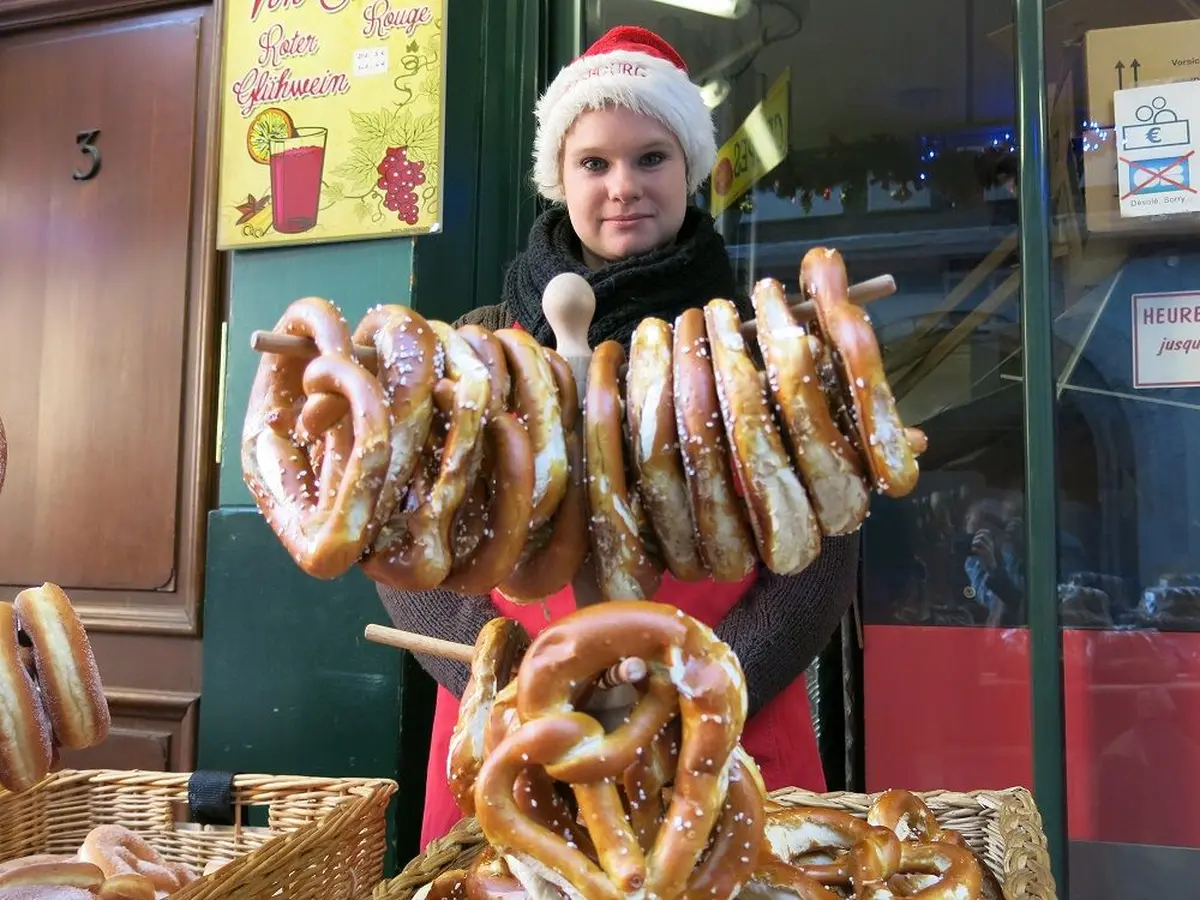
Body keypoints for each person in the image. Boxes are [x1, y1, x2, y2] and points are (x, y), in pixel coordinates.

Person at [376, 24, 861, 850]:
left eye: (651, 158)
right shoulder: (477, 346)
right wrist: (512, 685)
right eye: (594, 163)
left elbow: (822, 550)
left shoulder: (760, 346)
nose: (623, 186)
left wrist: (701, 689)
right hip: (519, 729)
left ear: (690, 169)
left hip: (725, 713)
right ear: (559, 177)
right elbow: (406, 539)